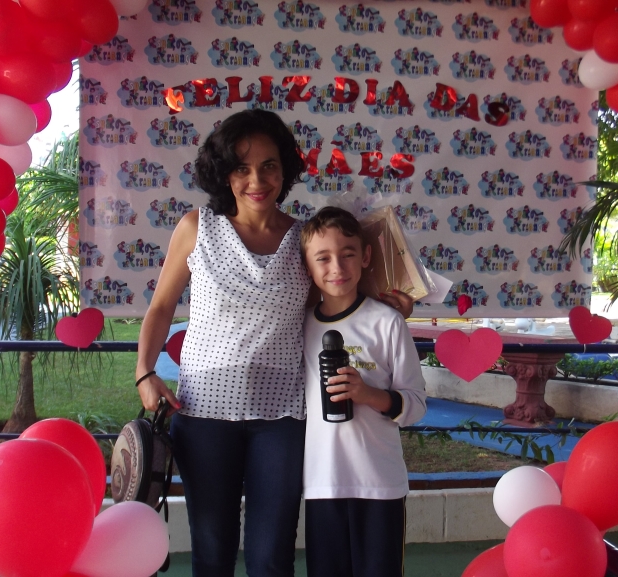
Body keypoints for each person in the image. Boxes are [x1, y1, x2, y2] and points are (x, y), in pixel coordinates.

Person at [134, 109, 412, 577]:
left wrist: (389, 304)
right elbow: (161, 307)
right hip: (202, 413)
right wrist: (145, 372)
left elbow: (340, 296)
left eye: (269, 166)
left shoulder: (303, 239)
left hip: (282, 418)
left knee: (271, 558)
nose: (256, 180)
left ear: (285, 170)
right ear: (224, 172)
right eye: (241, 168)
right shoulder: (196, 227)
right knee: (212, 554)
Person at [299, 206, 427, 577]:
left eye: (348, 254)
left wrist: (368, 394)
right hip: (322, 483)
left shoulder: (387, 323)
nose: (337, 267)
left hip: (379, 483)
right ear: (307, 266)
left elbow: (416, 405)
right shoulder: (298, 327)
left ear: (366, 256)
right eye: (323, 258)